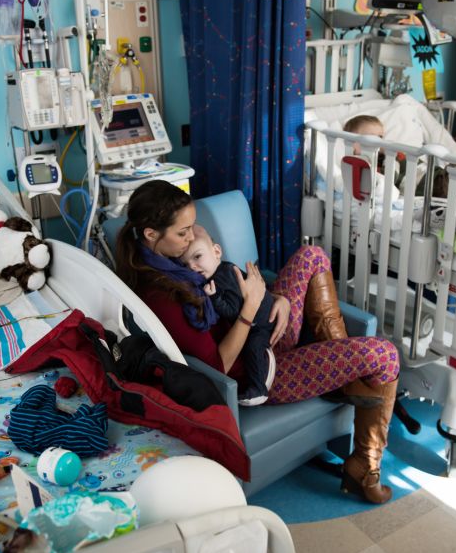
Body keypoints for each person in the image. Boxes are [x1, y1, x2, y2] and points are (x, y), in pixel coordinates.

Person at [115, 180, 401, 504]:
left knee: (312, 255)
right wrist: (252, 307)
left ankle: (345, 384)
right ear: (151, 234)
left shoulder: (175, 261)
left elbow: (229, 285)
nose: (191, 236)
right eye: (183, 232)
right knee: (385, 354)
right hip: (256, 373)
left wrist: (272, 298)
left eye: (191, 226)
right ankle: (366, 465)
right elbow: (215, 368)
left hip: (263, 333)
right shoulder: (164, 293)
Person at [179, 224, 276, 406]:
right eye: (185, 264)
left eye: (197, 256)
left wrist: (214, 297)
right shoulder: (223, 270)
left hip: (261, 326)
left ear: (216, 251)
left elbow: (233, 312)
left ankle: (259, 390)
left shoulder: (221, 279)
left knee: (253, 348)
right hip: (263, 315)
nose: (192, 266)